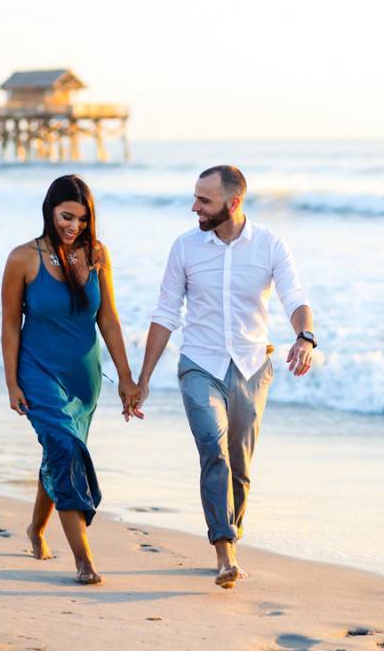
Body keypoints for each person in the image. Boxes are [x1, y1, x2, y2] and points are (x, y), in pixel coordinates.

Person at [127, 165, 315, 589]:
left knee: (240, 466)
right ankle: (224, 549)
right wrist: (143, 380)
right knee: (213, 449)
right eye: (195, 197)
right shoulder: (185, 248)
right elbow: (164, 313)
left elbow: (296, 299)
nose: (195, 207)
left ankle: (232, 531)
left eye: (204, 200)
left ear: (232, 203)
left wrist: (304, 337)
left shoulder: (270, 245)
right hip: (199, 363)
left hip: (251, 366)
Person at [1, 174, 138, 585]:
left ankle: (36, 529)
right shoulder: (22, 258)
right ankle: (84, 560)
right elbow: (10, 327)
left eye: (81, 218)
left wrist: (126, 379)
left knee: (62, 453)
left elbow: (109, 319)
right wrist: (12, 384)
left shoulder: (97, 255)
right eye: (66, 216)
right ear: (49, 210)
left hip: (84, 377)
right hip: (37, 370)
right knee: (63, 447)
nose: (73, 225)